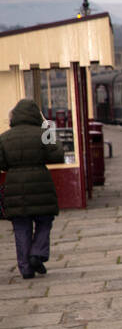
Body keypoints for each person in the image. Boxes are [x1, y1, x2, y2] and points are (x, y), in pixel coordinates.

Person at [0, 99, 62, 279]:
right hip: (41, 184)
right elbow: (57, 155)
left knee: (21, 228)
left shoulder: (4, 138)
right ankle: (38, 254)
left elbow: (1, 163)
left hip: (14, 187)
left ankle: (26, 268)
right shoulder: (43, 134)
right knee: (44, 221)